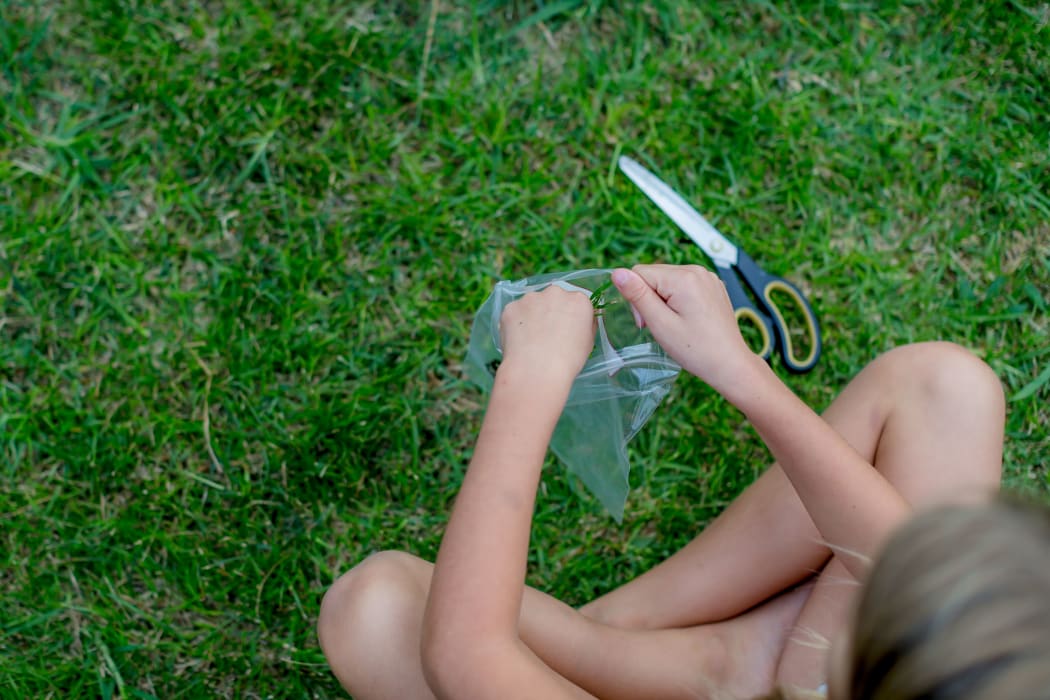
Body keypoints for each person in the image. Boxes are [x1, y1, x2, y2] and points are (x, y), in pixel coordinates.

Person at [317, 264, 1015, 699]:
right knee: (947, 389)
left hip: (742, 673)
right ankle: (640, 635)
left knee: (370, 611)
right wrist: (735, 368)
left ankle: (607, 646)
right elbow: (909, 562)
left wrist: (531, 380)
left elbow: (464, 652)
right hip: (797, 670)